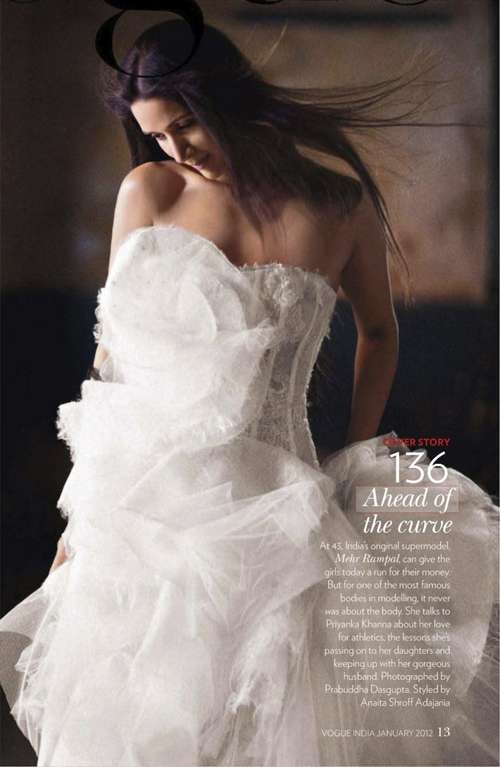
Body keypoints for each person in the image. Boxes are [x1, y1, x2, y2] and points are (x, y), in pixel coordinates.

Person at [0, 20, 498, 767]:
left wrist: (354, 451)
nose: (175, 149)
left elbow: (380, 332)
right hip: (156, 512)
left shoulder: (337, 201)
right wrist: (88, 510)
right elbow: (113, 361)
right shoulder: (151, 190)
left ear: (224, 95)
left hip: (284, 505)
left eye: (184, 124)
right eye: (156, 135)